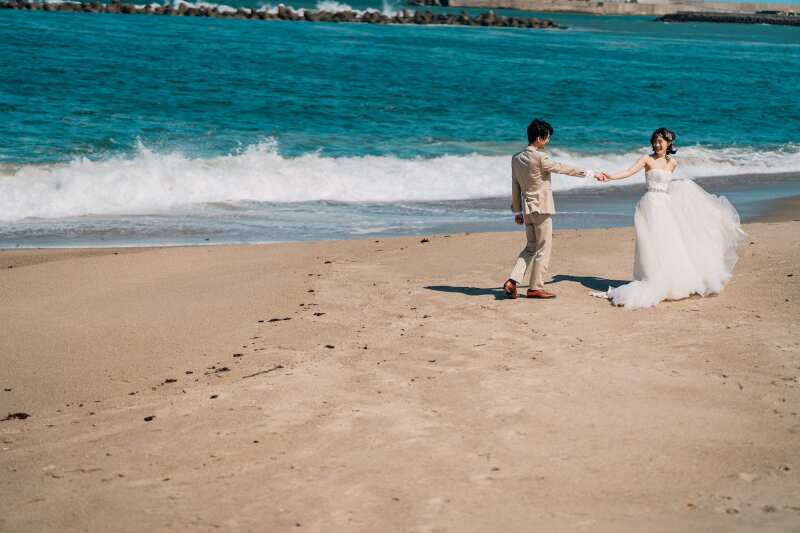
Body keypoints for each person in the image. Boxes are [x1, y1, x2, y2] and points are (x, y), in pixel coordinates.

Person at [596, 127, 746, 309]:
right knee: (651, 244)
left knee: (669, 243)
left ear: (669, 143)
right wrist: (610, 177)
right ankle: (652, 279)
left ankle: (670, 282)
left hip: (666, 205)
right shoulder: (647, 159)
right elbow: (629, 172)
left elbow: (668, 185)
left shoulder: (673, 163)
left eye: (661, 141)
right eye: (655, 141)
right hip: (650, 205)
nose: (657, 144)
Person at [504, 119, 606, 299]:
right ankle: (535, 287)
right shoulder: (540, 157)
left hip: (527, 210)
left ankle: (512, 281)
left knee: (530, 247)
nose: (548, 141)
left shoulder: (516, 158)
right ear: (539, 138)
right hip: (542, 208)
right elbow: (562, 168)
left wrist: (517, 211)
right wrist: (591, 173)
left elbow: (515, 186)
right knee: (543, 248)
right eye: (547, 137)